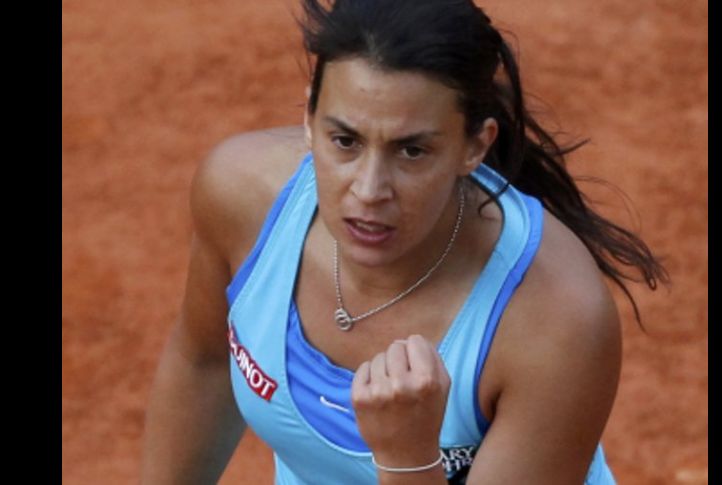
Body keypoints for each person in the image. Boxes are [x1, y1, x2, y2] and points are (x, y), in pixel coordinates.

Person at [140, 0, 669, 483]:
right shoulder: (241, 196)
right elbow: (204, 362)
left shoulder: (556, 320)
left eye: (411, 151)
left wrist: (409, 456)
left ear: (474, 147)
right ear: (308, 118)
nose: (368, 191)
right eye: (344, 141)